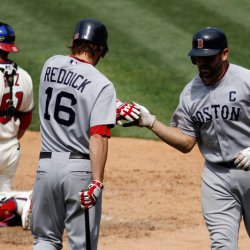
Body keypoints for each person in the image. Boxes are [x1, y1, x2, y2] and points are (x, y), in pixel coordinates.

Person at [134, 27, 250, 250]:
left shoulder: (246, 81)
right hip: (217, 178)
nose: (202, 65)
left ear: (224, 54)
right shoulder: (190, 93)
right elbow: (187, 142)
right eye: (197, 59)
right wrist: (150, 122)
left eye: (208, 58)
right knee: (221, 245)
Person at [31, 18, 139, 250]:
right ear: (101, 50)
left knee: (45, 240)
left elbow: (71, 94)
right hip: (78, 172)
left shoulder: (50, 64)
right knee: (83, 246)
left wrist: (111, 107)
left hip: (45, 168)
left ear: (74, 42)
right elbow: (98, 134)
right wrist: (97, 181)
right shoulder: (102, 84)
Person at [0, 22, 34, 191]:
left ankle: (22, 204)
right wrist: (11, 139)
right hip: (11, 150)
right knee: (3, 201)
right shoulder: (25, 76)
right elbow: (26, 118)